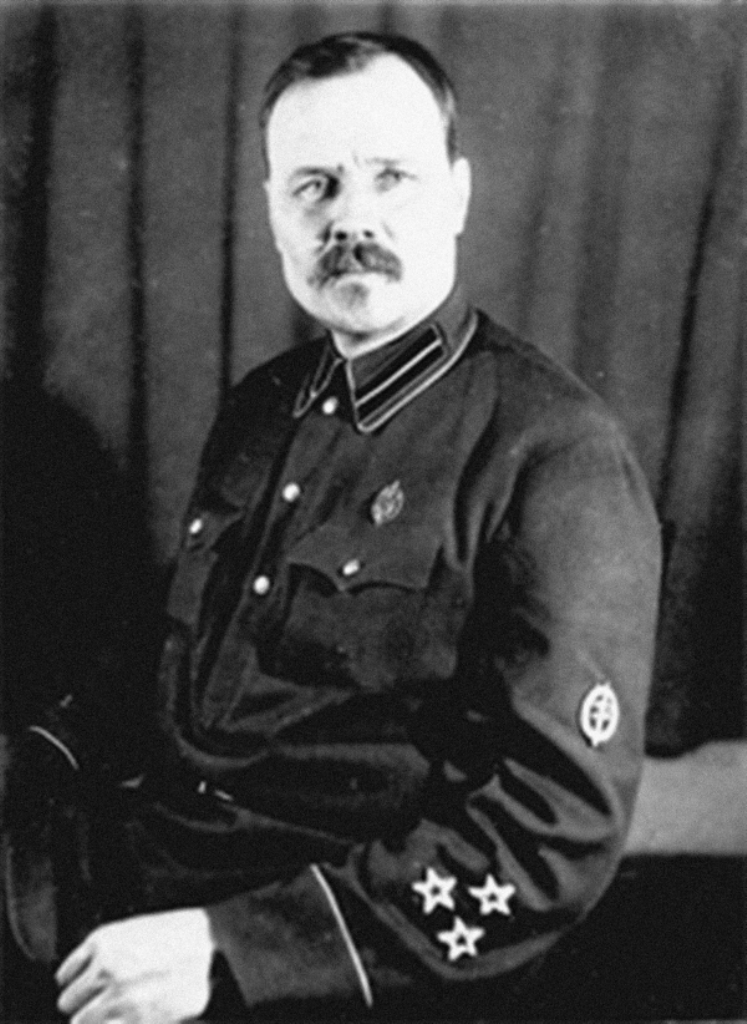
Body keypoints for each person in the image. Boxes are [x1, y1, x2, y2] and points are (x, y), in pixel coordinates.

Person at [4, 31, 661, 1023]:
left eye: (391, 177)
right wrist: (39, 757)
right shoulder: (261, 406)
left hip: (325, 945)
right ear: (274, 209)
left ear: (457, 195)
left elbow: (553, 830)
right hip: (154, 860)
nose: (351, 219)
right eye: (314, 187)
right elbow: (170, 651)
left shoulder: (555, 453)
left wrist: (231, 947)